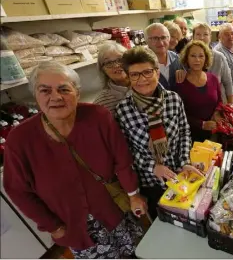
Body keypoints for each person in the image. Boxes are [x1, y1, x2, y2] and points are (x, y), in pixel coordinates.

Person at [3, 62, 146, 259]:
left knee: (136, 252)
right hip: (72, 225)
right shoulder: (19, 139)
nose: (55, 97)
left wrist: (133, 194)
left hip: (115, 208)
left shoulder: (98, 116)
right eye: (45, 90)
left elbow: (121, 158)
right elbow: (19, 191)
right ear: (36, 96)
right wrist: (53, 226)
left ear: (77, 93)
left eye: (64, 89)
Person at [115, 46, 192, 220]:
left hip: (179, 174)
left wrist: (185, 162)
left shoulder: (173, 99)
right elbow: (126, 152)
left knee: (185, 218)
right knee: (162, 222)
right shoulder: (123, 110)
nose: (142, 79)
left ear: (157, 72)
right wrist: (153, 167)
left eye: (147, 72)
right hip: (150, 182)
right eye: (134, 74)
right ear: (128, 77)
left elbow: (184, 132)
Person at [176, 23, 233, 104]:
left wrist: (230, 105)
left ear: (210, 37)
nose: (201, 37)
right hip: (195, 105)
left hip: (218, 104)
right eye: (198, 34)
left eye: (205, 34)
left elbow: (228, 82)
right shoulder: (185, 57)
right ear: (193, 37)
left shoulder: (219, 57)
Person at [175, 40, 222, 142]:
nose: (197, 60)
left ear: (206, 59)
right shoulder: (180, 82)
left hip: (213, 132)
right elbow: (179, 113)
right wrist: (202, 124)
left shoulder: (213, 78)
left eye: (201, 56)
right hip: (190, 135)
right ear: (186, 58)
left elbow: (219, 101)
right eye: (193, 56)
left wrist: (217, 113)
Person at [94, 42, 129, 114]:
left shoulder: (144, 86)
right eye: (108, 63)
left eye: (120, 59)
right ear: (103, 69)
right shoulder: (101, 103)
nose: (116, 65)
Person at [145, 23, 183, 90]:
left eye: (163, 37)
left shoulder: (176, 58)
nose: (161, 42)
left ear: (168, 39)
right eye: (155, 38)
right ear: (147, 41)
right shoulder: (142, 64)